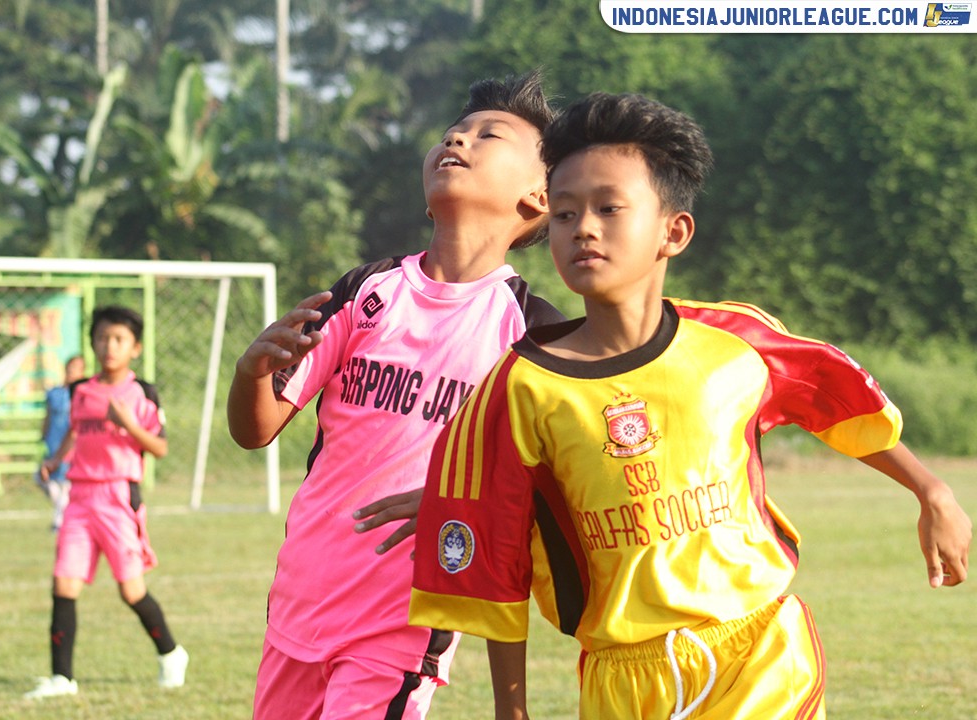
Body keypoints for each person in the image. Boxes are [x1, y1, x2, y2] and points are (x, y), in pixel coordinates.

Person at [408, 92, 973, 720]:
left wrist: (931, 490)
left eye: (609, 208)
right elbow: (492, 553)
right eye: (564, 215)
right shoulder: (520, 387)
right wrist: (511, 712)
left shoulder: (734, 345)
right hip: (620, 679)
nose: (584, 229)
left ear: (672, 232)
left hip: (757, 651)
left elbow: (832, 401)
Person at [227, 70, 565, 719]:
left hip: (406, 618)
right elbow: (257, 428)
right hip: (300, 601)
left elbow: (543, 491)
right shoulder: (367, 291)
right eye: (453, 132)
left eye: (488, 135)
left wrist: (466, 499)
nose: (459, 141)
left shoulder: (533, 333)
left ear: (538, 197)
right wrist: (250, 373)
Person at [25, 305, 188, 700]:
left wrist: (128, 423)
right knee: (64, 583)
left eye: (119, 339)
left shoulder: (142, 393)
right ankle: (61, 678)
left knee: (131, 591)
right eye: (102, 338)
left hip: (118, 498)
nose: (109, 346)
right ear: (94, 342)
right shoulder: (80, 390)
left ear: (134, 347)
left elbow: (159, 448)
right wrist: (54, 460)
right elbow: (76, 434)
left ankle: (171, 653)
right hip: (80, 497)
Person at [38, 354, 86, 532]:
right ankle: (62, 514)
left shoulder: (82, 394)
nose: (72, 372)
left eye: (76, 369)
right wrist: (42, 436)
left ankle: (60, 522)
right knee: (43, 478)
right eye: (70, 368)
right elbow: (48, 416)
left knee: (65, 483)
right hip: (54, 440)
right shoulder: (55, 393)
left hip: (72, 443)